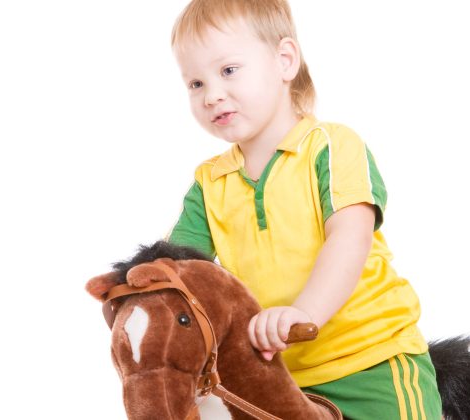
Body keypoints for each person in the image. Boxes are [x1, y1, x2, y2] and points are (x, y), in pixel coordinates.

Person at [164, 1, 443, 418]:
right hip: (275, 374)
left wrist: (304, 313)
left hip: (370, 360)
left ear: (284, 60)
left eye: (228, 70)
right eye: (195, 83)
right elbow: (179, 271)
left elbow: (349, 238)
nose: (212, 95)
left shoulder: (331, 147)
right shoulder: (210, 183)